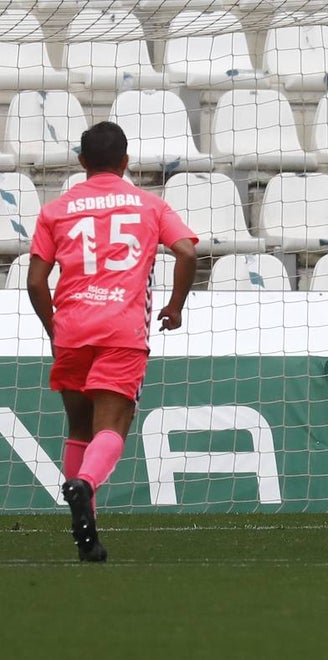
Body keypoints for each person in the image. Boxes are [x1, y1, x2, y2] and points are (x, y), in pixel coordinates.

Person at [27, 121, 198, 562]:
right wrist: (175, 307)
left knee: (79, 429)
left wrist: (54, 328)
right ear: (125, 162)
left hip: (73, 328)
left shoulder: (56, 209)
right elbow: (187, 252)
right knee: (112, 427)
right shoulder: (150, 205)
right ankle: (84, 486)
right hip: (121, 329)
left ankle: (86, 535)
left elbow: (35, 281)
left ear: (82, 162)